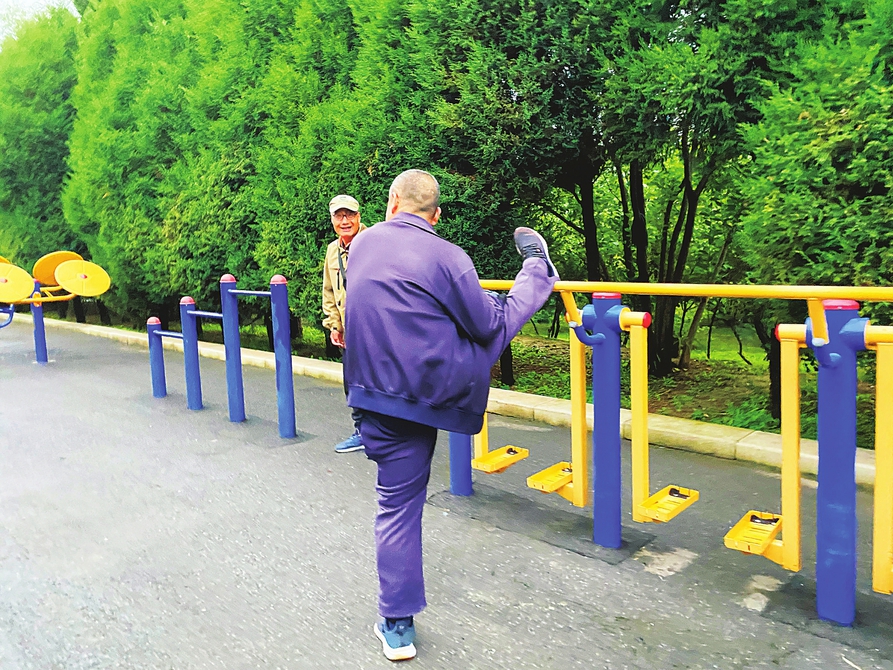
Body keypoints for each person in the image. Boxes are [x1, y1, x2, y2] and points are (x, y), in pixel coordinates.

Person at [343, 169, 558, 661]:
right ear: (435, 216)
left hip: (372, 399)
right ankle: (539, 272)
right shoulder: (448, 256)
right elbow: (483, 326)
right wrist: (485, 304)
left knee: (395, 509)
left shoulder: (362, 246)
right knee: (498, 321)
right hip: (434, 390)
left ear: (391, 204)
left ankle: (396, 627)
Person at [322, 193, 366, 453]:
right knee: (353, 384)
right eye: (339, 216)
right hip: (349, 332)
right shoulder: (332, 250)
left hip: (374, 330)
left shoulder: (373, 242)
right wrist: (334, 325)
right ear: (332, 220)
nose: (345, 220)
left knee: (381, 382)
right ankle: (361, 432)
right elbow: (329, 291)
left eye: (349, 214)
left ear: (358, 216)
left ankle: (386, 435)